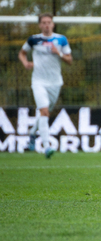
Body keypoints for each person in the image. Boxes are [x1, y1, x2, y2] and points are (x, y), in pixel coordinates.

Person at [18, 13, 73, 158]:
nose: (47, 25)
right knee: (44, 112)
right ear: (40, 25)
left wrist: (59, 53)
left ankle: (32, 133)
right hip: (38, 82)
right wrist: (25, 63)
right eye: (44, 22)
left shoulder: (61, 39)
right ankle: (47, 146)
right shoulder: (34, 39)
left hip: (55, 83)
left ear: (53, 24)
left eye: (49, 22)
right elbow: (22, 53)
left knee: (45, 112)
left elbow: (70, 60)